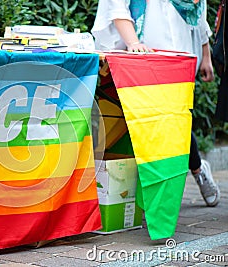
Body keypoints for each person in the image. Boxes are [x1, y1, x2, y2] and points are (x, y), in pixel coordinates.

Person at [91, 0, 220, 207]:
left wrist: (206, 55)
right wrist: (133, 43)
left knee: (175, 120)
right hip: (142, 56)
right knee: (150, 122)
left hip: (181, 55)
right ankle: (165, 188)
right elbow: (117, 7)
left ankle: (195, 169)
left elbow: (198, 10)